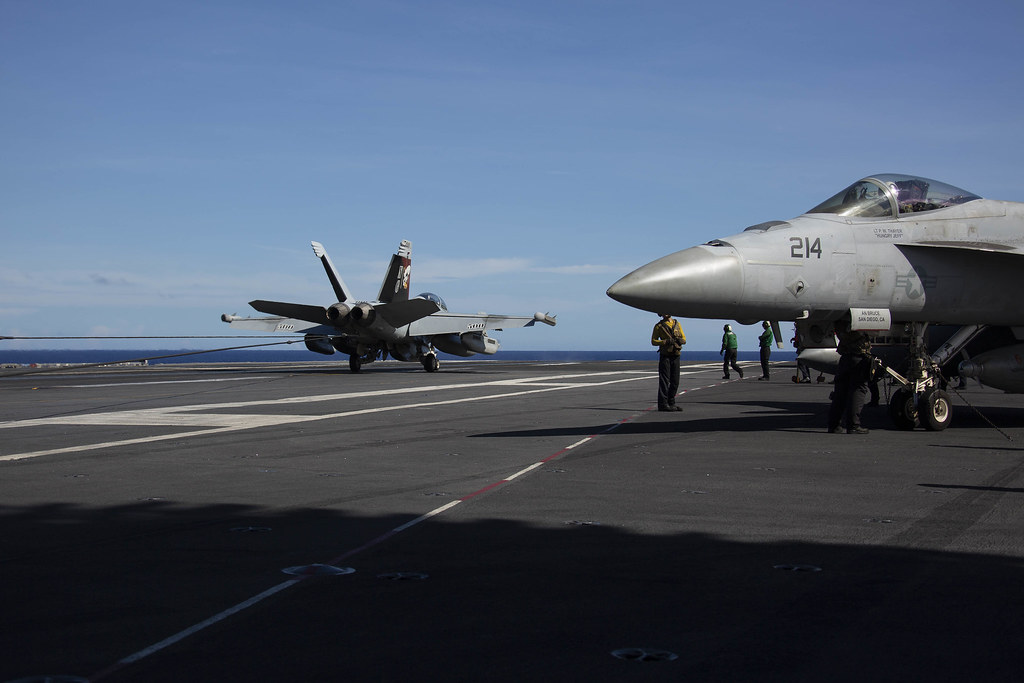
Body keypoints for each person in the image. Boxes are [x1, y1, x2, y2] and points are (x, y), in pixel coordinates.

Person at [827, 320, 873, 434]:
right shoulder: (858, 323)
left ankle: (834, 425)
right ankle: (853, 425)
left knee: (840, 393)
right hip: (858, 358)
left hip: (845, 358)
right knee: (858, 390)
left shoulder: (840, 322)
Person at [651, 313, 686, 411]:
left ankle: (671, 402)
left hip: (676, 354)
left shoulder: (677, 324)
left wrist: (680, 340)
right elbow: (653, 341)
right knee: (664, 381)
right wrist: (665, 342)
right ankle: (663, 404)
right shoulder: (658, 326)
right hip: (665, 355)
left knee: (675, 381)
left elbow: (684, 338)